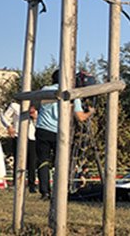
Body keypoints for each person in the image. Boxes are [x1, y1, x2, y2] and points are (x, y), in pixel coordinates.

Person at [35, 69, 95, 200]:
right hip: (59, 131)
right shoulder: (73, 94)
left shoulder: (45, 89)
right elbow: (80, 117)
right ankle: (60, 190)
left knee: (43, 161)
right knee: (60, 163)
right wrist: (90, 112)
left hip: (42, 129)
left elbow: (37, 106)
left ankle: (44, 192)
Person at [0, 101, 37, 192]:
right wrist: (9, 126)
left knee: (32, 161)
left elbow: (38, 122)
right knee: (19, 160)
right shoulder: (15, 106)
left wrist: (35, 117)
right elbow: (4, 117)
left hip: (32, 137)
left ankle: (32, 185)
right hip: (18, 136)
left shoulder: (35, 109)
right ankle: (17, 183)